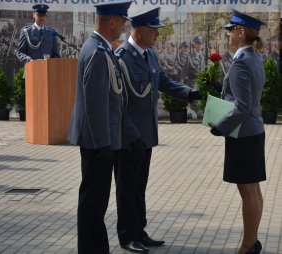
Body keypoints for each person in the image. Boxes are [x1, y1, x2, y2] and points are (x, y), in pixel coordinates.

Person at [115, 7, 201, 253]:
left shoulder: (148, 55)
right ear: (140, 31)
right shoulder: (122, 57)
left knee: (139, 187)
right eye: (154, 31)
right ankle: (127, 236)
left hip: (147, 134)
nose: (157, 36)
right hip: (129, 136)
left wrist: (189, 93)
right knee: (126, 188)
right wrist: (129, 133)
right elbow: (118, 102)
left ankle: (139, 231)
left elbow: (162, 81)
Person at [67, 1, 132, 253]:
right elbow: (95, 105)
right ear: (112, 21)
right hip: (98, 143)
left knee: (95, 203)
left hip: (101, 140)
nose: (124, 26)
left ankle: (95, 247)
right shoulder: (97, 52)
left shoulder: (101, 49)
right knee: (93, 202)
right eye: (122, 21)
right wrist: (103, 143)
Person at [208, 9, 266, 254]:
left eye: (231, 31)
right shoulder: (253, 57)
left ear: (241, 32)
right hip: (253, 131)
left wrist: (220, 127)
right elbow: (245, 96)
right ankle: (252, 241)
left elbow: (242, 106)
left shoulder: (242, 62)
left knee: (248, 192)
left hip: (242, 133)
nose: (228, 36)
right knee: (253, 190)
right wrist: (221, 88)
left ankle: (248, 244)